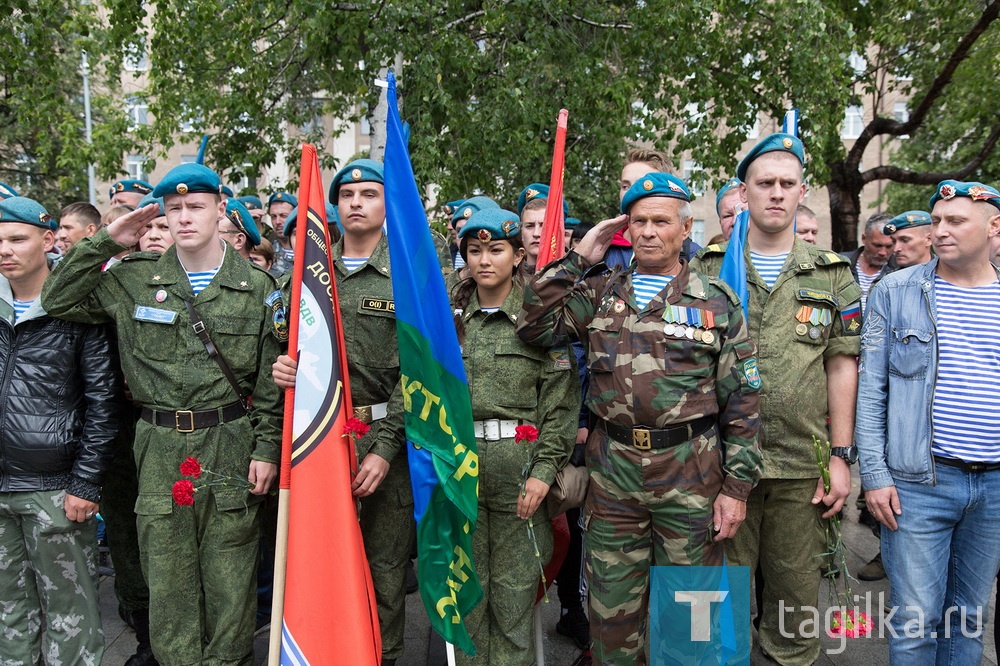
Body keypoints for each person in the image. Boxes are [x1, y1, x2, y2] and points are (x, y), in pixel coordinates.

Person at [41, 163, 284, 665]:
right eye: (174, 209)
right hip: (159, 443)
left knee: (230, 579)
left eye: (196, 206)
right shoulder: (131, 279)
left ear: (221, 210)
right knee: (168, 582)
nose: (184, 218)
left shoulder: (258, 287)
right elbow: (56, 296)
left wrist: (266, 449)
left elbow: (268, 384)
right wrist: (108, 239)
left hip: (230, 441)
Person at [519, 171, 763, 664]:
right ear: (625, 229)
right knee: (611, 624)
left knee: (691, 625)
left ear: (685, 227)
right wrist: (579, 256)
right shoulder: (598, 292)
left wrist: (736, 491)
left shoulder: (716, 302)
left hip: (691, 480)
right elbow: (532, 325)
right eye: (638, 222)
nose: (648, 231)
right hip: (613, 481)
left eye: (660, 221)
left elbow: (743, 404)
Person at [691, 133, 862, 665]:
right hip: (718, 467)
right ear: (744, 193)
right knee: (712, 610)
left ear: (802, 190)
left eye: (788, 184)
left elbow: (841, 364)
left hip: (799, 470)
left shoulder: (832, 274)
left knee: (793, 608)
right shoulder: (706, 269)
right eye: (765, 183)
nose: (776, 193)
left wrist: (840, 456)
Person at [272, 158, 413, 666]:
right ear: (332, 206)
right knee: (318, 559)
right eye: (347, 195)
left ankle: (382, 656)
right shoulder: (308, 276)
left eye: (369, 194)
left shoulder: (409, 277)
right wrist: (284, 369)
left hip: (381, 442)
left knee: (383, 569)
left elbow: (417, 376)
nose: (356, 202)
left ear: (385, 205)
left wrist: (385, 448)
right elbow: (286, 352)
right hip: (317, 440)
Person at [857, 180, 1000, 664]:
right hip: (919, 483)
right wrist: (874, 475)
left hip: (995, 488)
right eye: (937, 220)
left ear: (993, 227)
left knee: (969, 621)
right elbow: (871, 389)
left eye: (955, 221)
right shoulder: (896, 291)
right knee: (916, 621)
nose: (940, 230)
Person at [449, 206, 579, 664]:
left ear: (519, 255)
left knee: (512, 599)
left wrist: (543, 473)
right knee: (467, 599)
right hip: (458, 473)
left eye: (496, 249)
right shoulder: (449, 320)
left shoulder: (537, 321)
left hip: (518, 475)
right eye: (474, 250)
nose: (484, 260)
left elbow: (560, 408)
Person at [0, 196, 121, 665]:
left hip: (55, 491)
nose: (6, 250)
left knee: (71, 616)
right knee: (10, 615)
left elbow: (102, 404)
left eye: (17, 239)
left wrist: (86, 483)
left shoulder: (76, 311)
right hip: (2, 487)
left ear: (48, 241)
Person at [841, 212, 896, 311]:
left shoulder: (899, 270)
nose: (883, 252)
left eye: (889, 246)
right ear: (864, 238)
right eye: (877, 245)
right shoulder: (842, 264)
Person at [517, 183, 569, 273]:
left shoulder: (576, 274)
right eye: (530, 226)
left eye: (544, 226)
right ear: (521, 232)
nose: (536, 233)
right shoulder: (507, 277)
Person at [266, 191, 297, 276]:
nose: (278, 222)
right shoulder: (267, 252)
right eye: (273, 217)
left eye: (283, 216)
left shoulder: (311, 251)